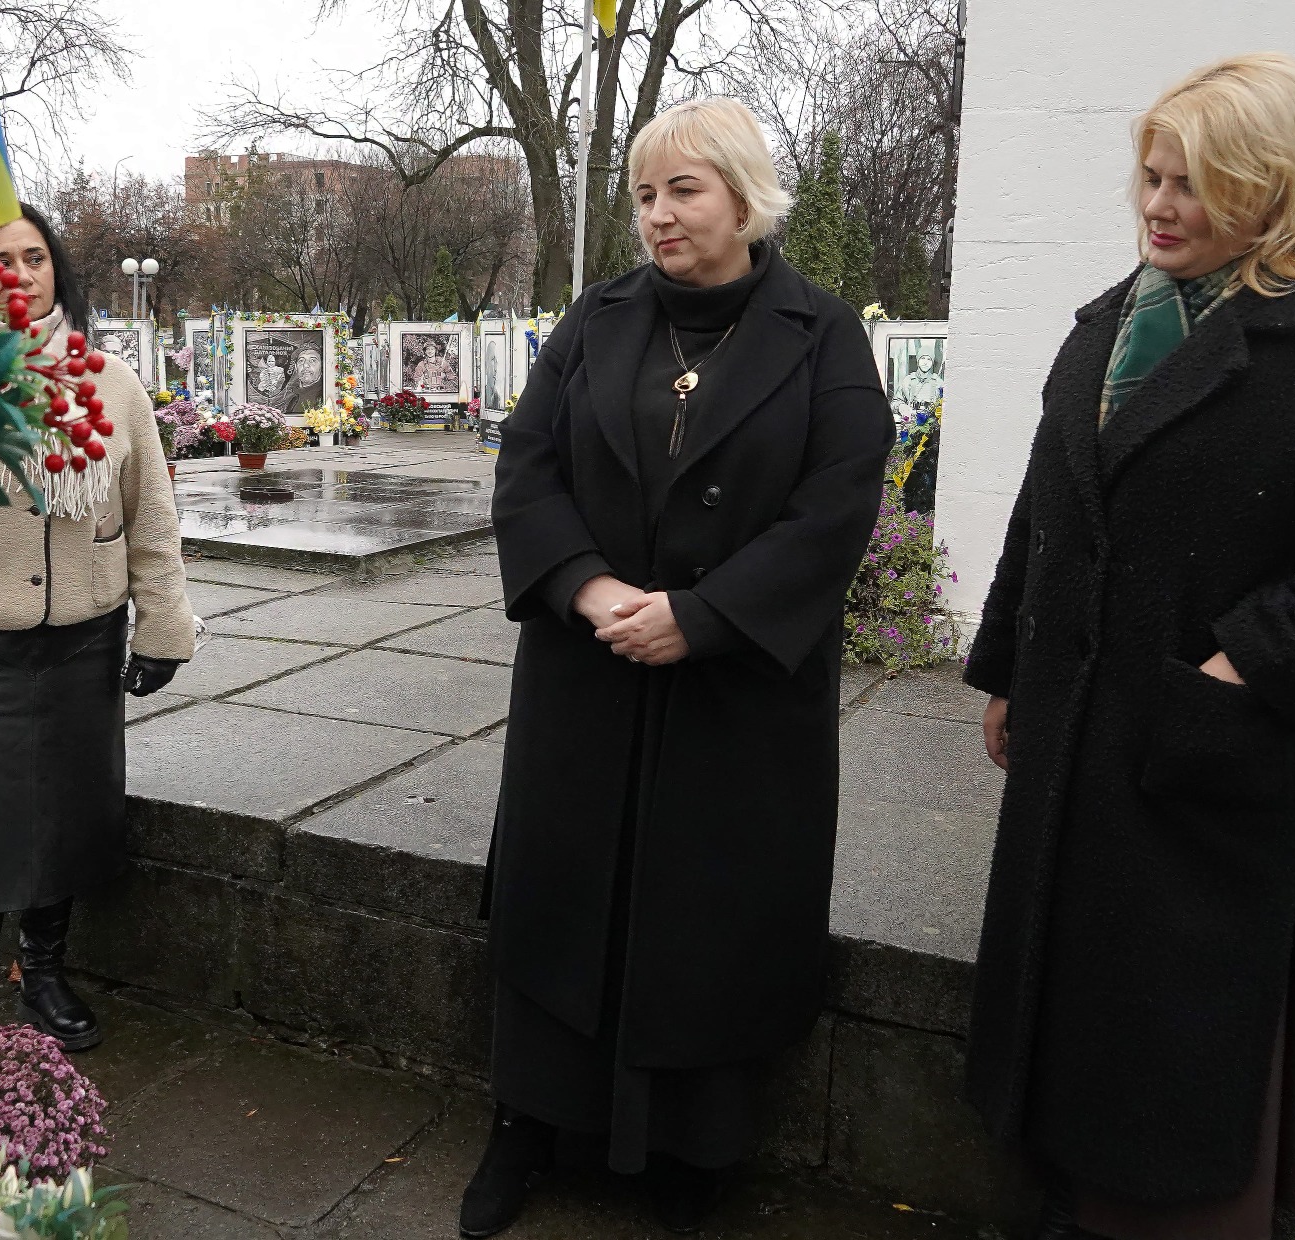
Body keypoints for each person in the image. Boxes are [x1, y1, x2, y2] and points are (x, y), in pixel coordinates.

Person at [961, 54, 1295, 1240]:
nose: (1157, 204)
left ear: (1271, 184)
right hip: (1079, 742)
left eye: (1191, 182)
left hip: (1223, 768)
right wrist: (1004, 671)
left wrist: (1243, 667)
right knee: (1075, 1002)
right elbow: (1046, 511)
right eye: (1149, 176)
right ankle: (1071, 1203)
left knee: (1182, 1042)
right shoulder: (1106, 325)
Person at [466, 96, 892, 1237]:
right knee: (560, 901)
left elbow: (837, 503)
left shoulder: (822, 335)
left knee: (708, 920)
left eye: (683, 191)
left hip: (732, 693)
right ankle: (524, 1122)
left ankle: (692, 1154)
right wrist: (586, 587)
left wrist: (704, 617)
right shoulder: (596, 318)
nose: (658, 214)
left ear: (744, 199)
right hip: (588, 672)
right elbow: (526, 463)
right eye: (645, 195)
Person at [0, 204, 195, 1051]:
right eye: (1, 260)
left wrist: (163, 627)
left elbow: (150, 513)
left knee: (67, 815)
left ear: (58, 269)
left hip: (84, 639)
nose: (23, 274)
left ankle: (44, 971)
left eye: (36, 257)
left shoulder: (110, 382)